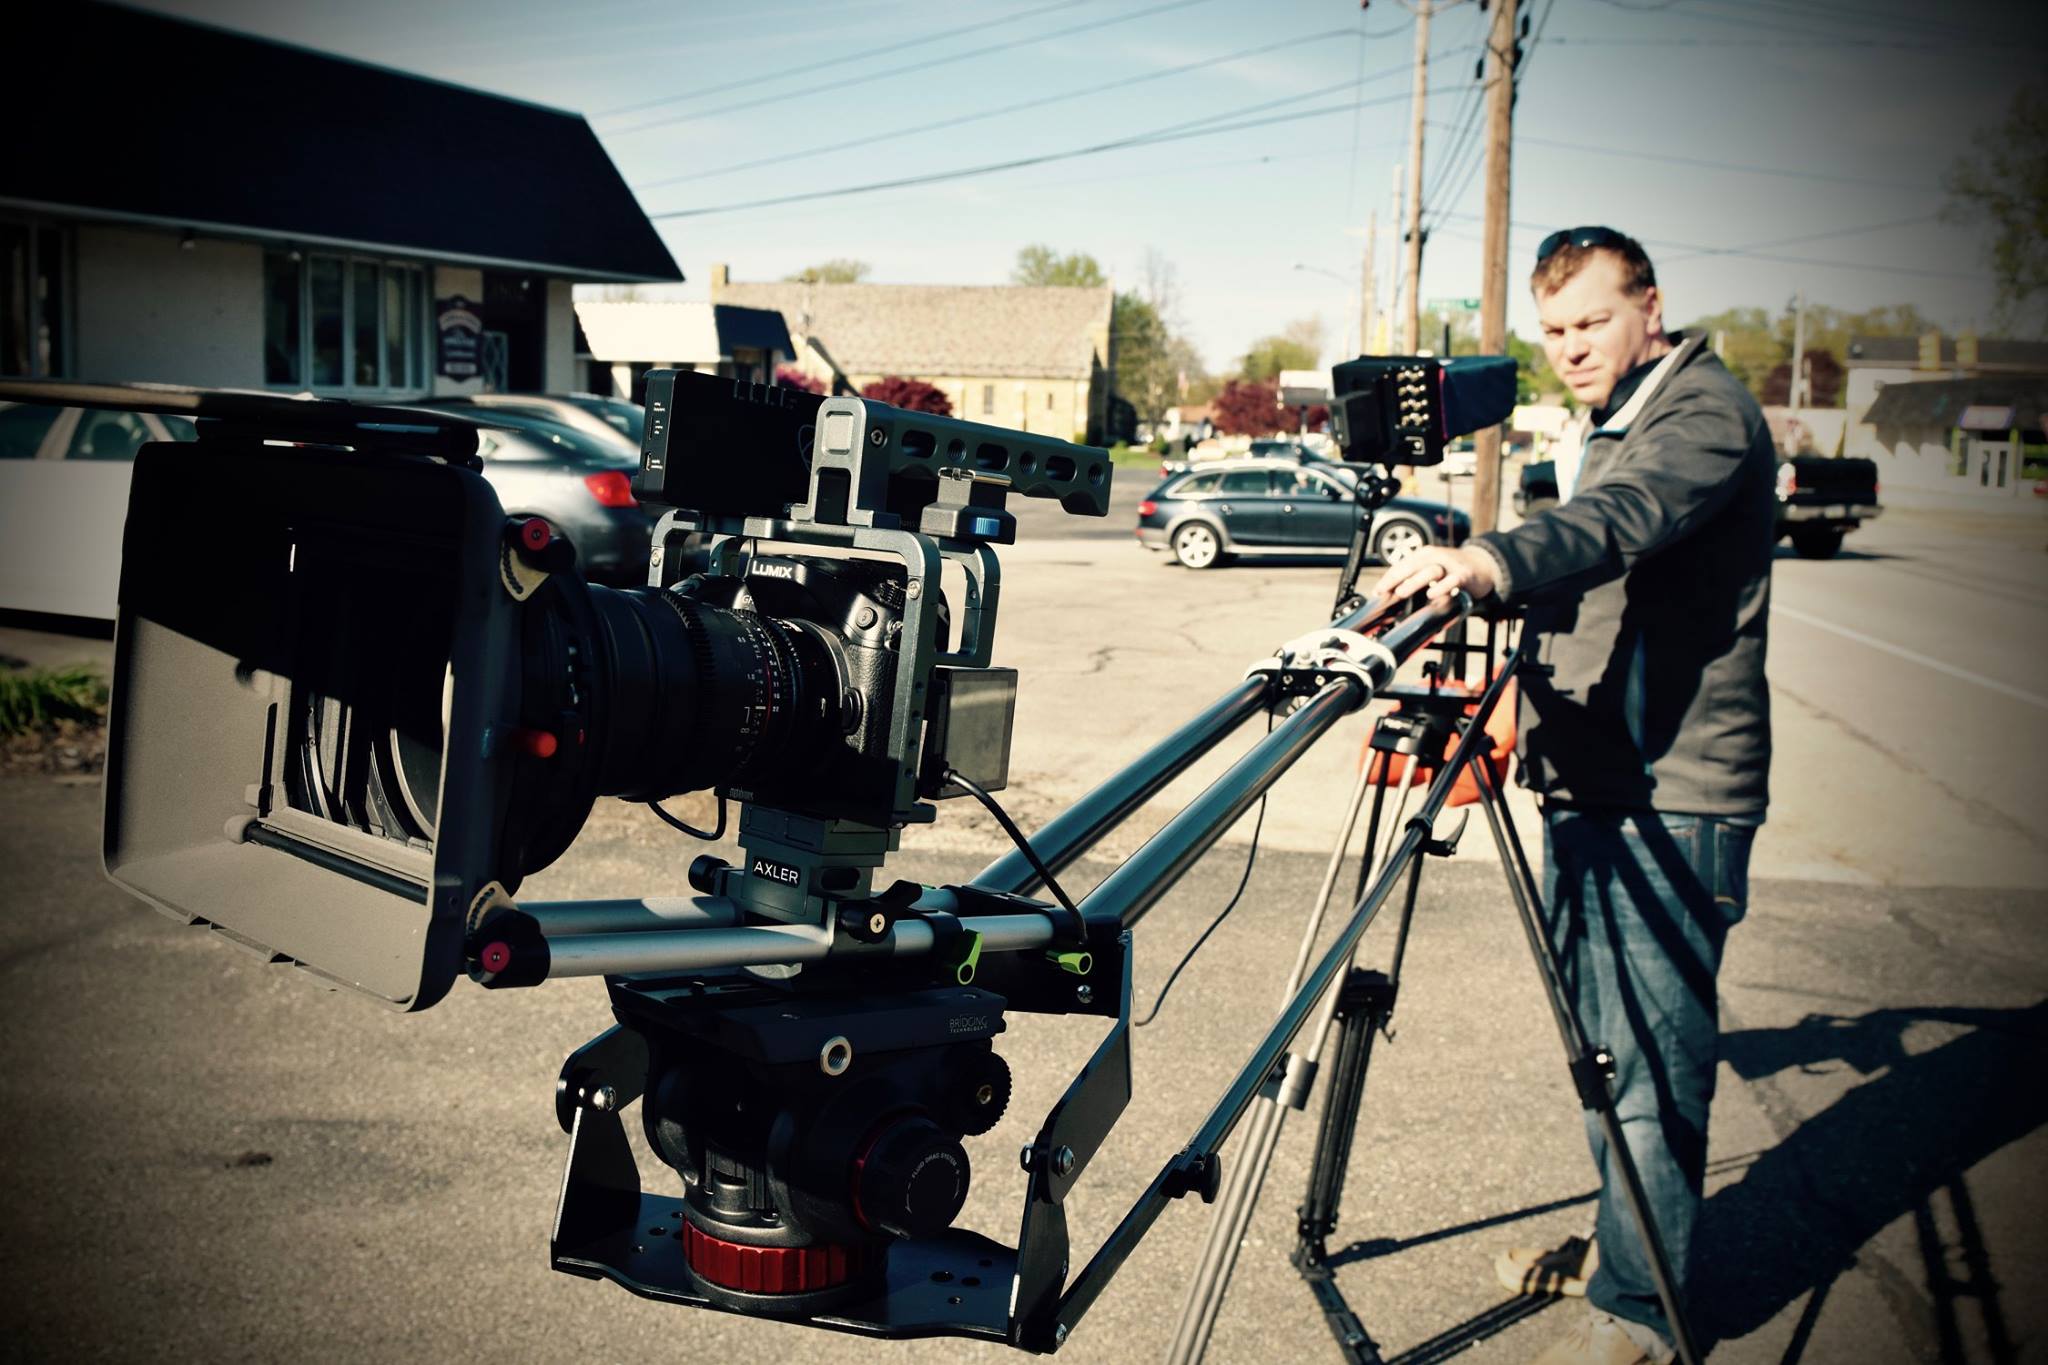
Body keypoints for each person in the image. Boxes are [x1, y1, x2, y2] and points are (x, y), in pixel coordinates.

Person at [1370, 227, 1776, 1365]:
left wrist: (1486, 562)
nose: (1569, 349)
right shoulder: (1610, 418)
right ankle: (1622, 1252)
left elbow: (1624, 520)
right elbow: (1595, 601)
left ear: (1649, 305)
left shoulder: (1698, 414)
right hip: (1594, 778)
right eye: (1551, 332)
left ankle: (1641, 1315)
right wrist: (1512, 701)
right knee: (1604, 1053)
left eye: (1590, 322)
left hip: (1670, 794)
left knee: (1647, 1066)